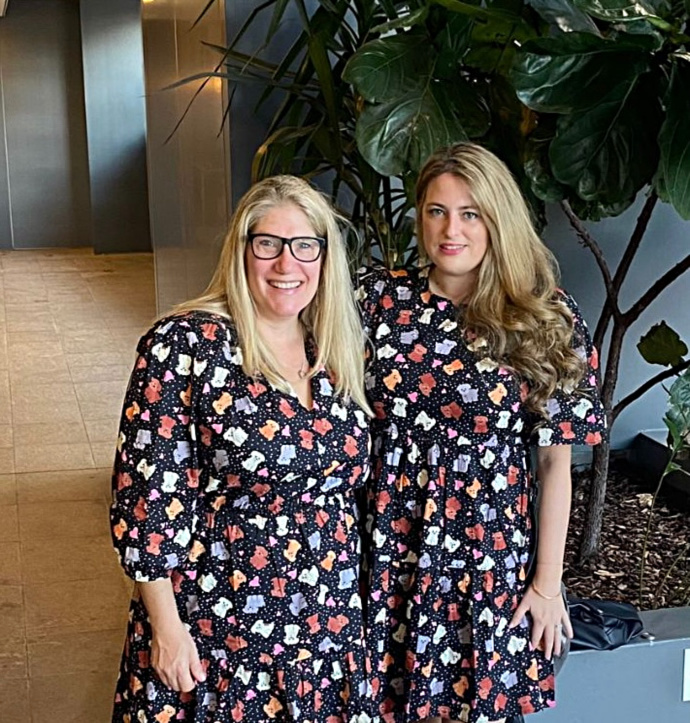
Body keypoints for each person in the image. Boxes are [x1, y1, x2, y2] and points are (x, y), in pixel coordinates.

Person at [356, 143, 606, 723]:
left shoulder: (546, 317)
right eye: (436, 211)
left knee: (476, 704)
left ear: (498, 220)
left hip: (486, 553)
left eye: (471, 213)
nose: (451, 230)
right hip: (388, 544)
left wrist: (546, 584)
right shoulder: (378, 301)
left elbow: (554, 467)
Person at [110, 175, 373, 723]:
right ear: (242, 249)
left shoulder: (336, 346)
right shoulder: (183, 345)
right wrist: (166, 628)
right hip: (219, 628)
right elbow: (146, 503)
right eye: (267, 244)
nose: (286, 264)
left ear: (324, 259)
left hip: (328, 626)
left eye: (305, 246)